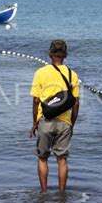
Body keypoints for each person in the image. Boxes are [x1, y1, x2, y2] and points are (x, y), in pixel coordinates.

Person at [30, 40, 80, 193]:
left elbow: (36, 100)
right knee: (62, 160)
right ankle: (61, 194)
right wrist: (71, 123)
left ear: (50, 54)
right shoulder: (72, 74)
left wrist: (34, 123)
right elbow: (76, 104)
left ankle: (44, 193)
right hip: (64, 121)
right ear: (65, 54)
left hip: (45, 120)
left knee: (43, 158)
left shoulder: (41, 73)